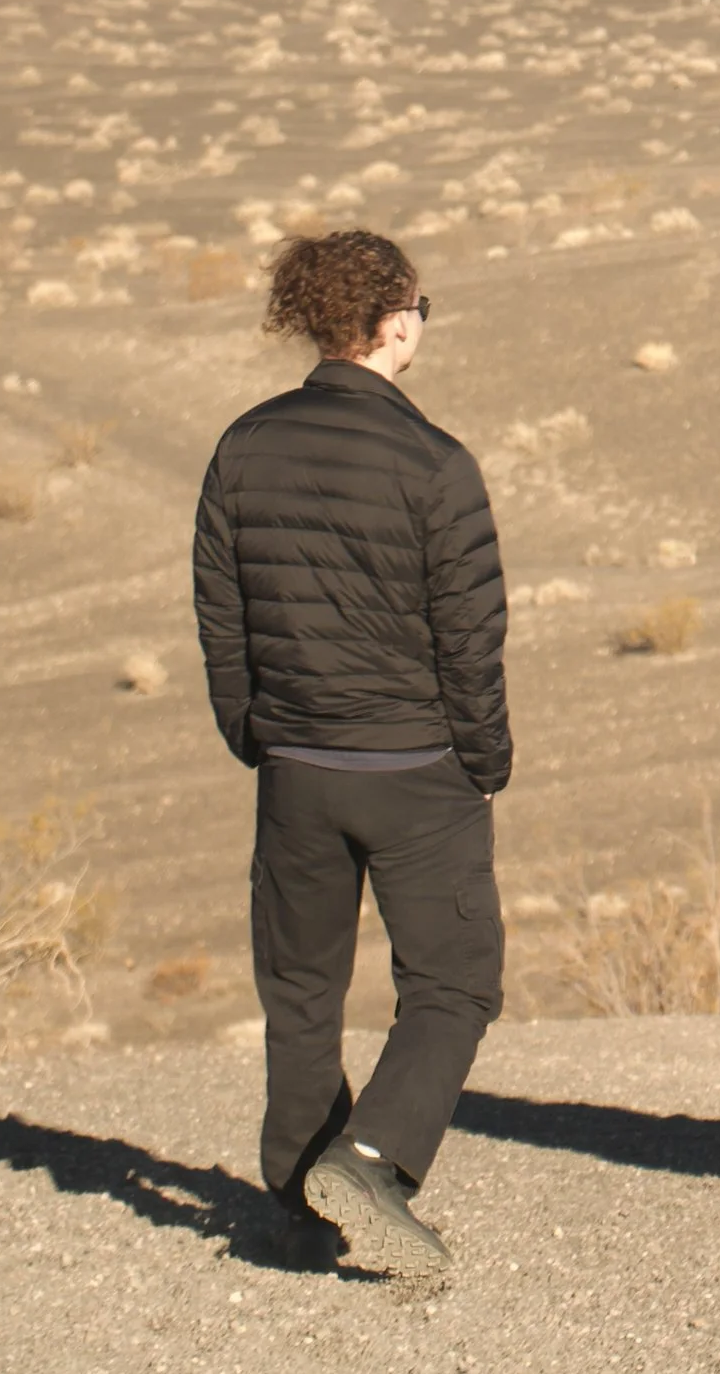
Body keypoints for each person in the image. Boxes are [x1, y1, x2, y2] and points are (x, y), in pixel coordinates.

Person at [192, 227, 511, 1275]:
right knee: (454, 984)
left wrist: (255, 732)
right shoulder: (435, 462)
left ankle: (295, 1210)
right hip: (419, 771)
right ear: (394, 320)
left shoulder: (243, 445)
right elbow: (470, 635)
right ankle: (369, 1161)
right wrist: (483, 757)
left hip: (295, 769)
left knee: (300, 990)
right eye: (421, 304)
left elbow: (221, 612)